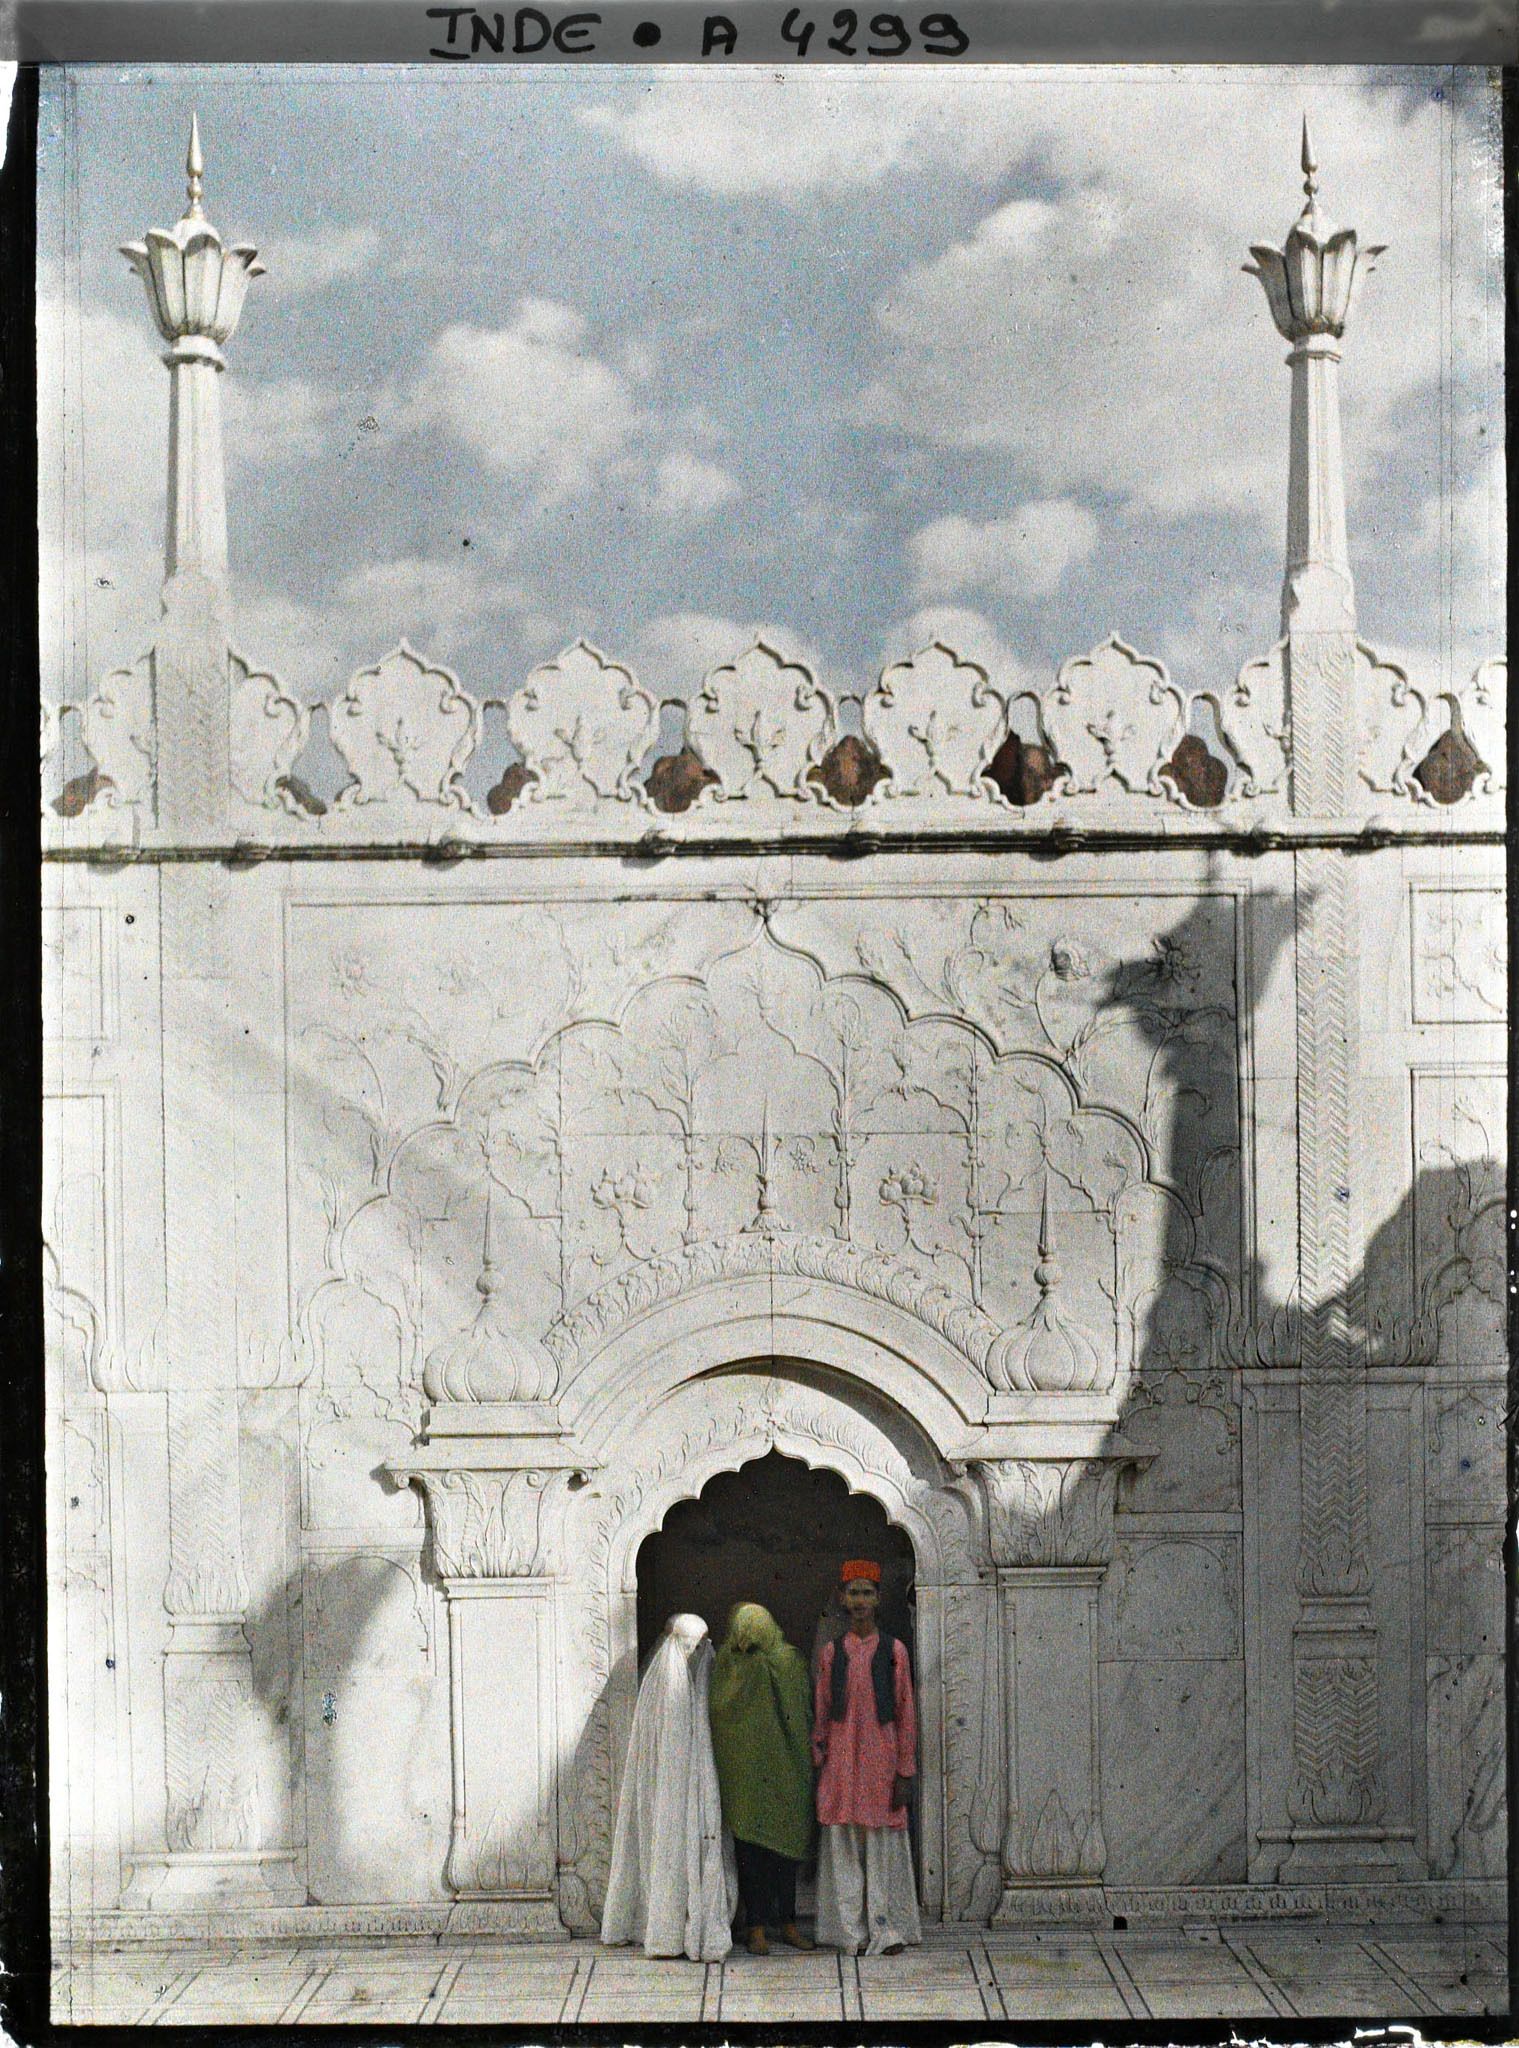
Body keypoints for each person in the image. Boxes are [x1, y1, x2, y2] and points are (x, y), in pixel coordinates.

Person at [601, 1612, 737, 1961]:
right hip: (667, 1790)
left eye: (700, 1646)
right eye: (687, 1646)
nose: (694, 1654)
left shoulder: (704, 1676)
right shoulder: (660, 1684)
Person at [812, 1559, 922, 1956]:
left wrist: (905, 1769)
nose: (859, 1601)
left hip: (881, 1762)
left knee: (881, 1845)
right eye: (853, 1592)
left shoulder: (894, 1651)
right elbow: (822, 1709)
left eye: (867, 1593)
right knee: (844, 1843)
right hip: (841, 1764)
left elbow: (906, 1710)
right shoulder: (831, 1653)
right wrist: (819, 1751)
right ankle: (848, 1933)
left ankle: (885, 1929)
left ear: (878, 1599)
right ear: (842, 1598)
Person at [708, 1602, 817, 1956]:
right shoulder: (730, 1663)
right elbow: (719, 1713)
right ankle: (758, 1927)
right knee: (753, 1856)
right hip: (747, 1775)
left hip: (785, 1770)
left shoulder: (786, 1661)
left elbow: (802, 1711)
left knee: (779, 1855)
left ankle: (785, 1924)